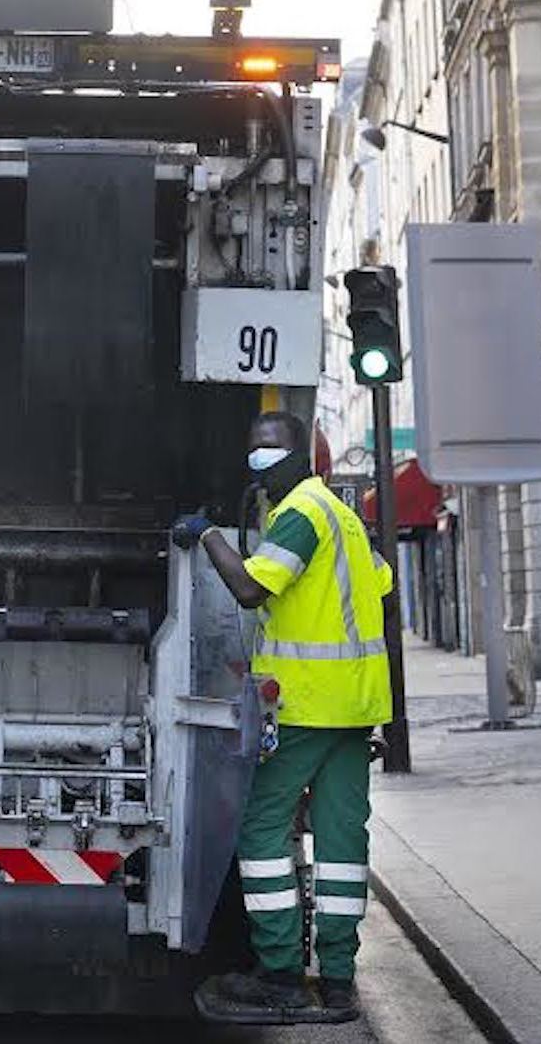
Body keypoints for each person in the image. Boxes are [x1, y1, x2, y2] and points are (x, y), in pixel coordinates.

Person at [173, 411, 393, 1021]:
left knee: (261, 830)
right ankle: (341, 982)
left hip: (308, 706)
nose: (258, 458)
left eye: (270, 447)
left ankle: (281, 973)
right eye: (253, 448)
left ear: (302, 455)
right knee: (344, 842)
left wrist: (207, 533)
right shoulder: (342, 516)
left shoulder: (300, 515)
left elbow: (250, 589)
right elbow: (380, 581)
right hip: (355, 707)